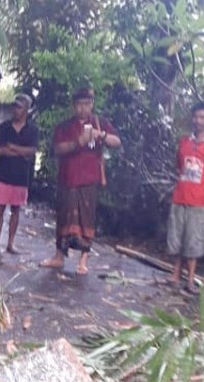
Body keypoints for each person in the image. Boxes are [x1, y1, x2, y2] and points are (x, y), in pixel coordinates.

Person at [40, 86, 122, 274]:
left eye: (87, 104)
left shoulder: (100, 123)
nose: (83, 108)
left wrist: (100, 135)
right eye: (79, 104)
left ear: (92, 104)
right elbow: (58, 149)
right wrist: (79, 142)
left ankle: (83, 260)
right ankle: (59, 256)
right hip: (67, 179)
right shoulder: (65, 126)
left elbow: (117, 142)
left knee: (87, 219)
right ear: (73, 106)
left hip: (89, 180)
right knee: (63, 218)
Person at [166, 102, 204, 293]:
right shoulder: (185, 142)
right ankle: (175, 274)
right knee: (177, 237)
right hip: (180, 195)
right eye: (196, 117)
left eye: (203, 117)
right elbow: (179, 166)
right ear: (192, 118)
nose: (198, 121)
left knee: (194, 239)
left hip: (200, 200)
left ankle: (190, 280)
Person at [0, 94, 39, 254]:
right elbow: (2, 150)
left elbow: (32, 152)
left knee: (16, 210)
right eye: (15, 106)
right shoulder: (4, 127)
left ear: (26, 110)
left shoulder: (32, 130)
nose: (16, 110)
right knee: (0, 208)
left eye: (19, 107)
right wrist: (21, 152)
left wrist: (14, 148)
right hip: (3, 173)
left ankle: (10, 243)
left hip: (21, 176)